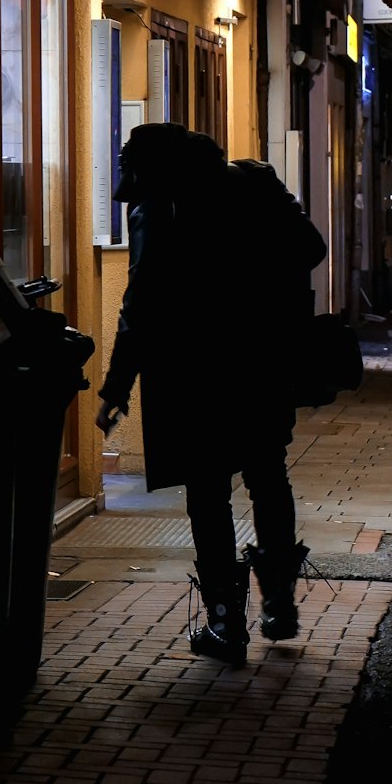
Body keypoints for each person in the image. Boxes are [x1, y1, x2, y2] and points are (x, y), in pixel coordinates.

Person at [95, 123, 328, 666]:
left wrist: (115, 386)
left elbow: (141, 306)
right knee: (268, 476)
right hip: (262, 365)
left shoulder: (159, 208)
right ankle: (280, 604)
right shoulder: (255, 182)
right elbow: (311, 248)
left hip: (192, 376)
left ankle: (227, 624)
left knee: (208, 493)